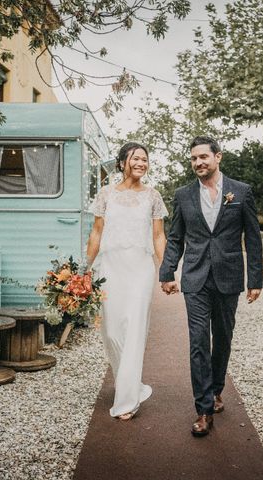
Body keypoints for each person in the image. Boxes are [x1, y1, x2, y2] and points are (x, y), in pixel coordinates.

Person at [159, 135, 263, 437]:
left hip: (229, 276)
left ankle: (217, 388)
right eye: (193, 158)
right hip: (195, 277)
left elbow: (253, 238)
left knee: (224, 337)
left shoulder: (241, 192)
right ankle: (203, 409)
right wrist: (167, 271)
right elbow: (176, 237)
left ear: (218, 157)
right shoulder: (183, 195)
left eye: (203, 157)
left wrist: (254, 279)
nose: (198, 163)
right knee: (198, 342)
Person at [86, 142, 168, 421]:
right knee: (111, 332)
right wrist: (84, 269)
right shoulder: (106, 194)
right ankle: (131, 384)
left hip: (141, 269)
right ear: (122, 162)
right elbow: (97, 233)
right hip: (110, 267)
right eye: (136, 158)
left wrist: (166, 270)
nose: (141, 163)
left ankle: (127, 400)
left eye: (145, 159)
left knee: (134, 329)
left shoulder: (153, 196)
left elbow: (158, 236)